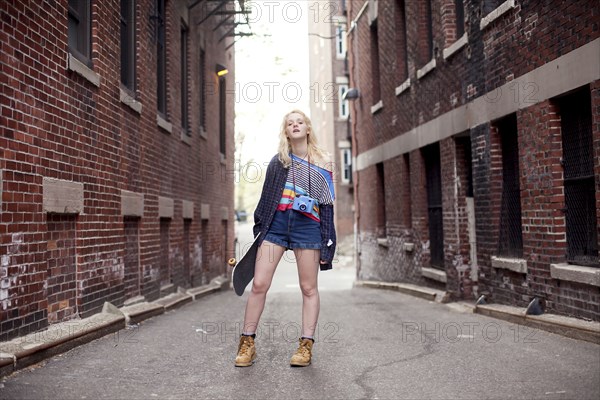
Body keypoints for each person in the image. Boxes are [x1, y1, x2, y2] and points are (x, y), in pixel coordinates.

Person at [235, 109, 336, 367]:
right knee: (259, 284)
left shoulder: (323, 162)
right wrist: (261, 231)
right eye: (290, 123)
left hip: (308, 227)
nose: (295, 125)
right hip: (277, 226)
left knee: (308, 288)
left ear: (308, 128)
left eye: (299, 122)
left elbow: (327, 207)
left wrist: (328, 242)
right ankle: (247, 342)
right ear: (286, 131)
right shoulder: (278, 162)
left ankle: (306, 345)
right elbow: (266, 199)